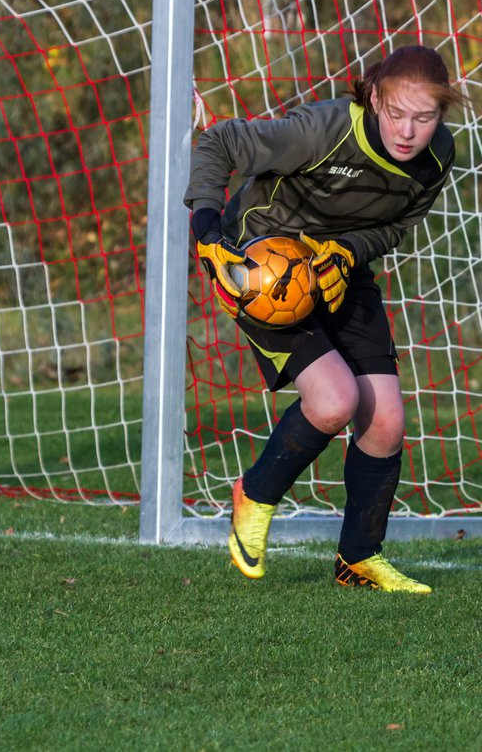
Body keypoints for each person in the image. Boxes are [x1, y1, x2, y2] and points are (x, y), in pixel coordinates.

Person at [184, 45, 464, 594]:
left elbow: (395, 228)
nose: (409, 131)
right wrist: (209, 231)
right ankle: (255, 494)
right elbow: (219, 140)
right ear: (375, 98)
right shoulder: (323, 129)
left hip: (338, 267)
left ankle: (358, 559)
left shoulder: (437, 158)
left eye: (425, 117)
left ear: (442, 114)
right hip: (264, 269)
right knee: (334, 400)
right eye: (397, 113)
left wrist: (347, 253)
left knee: (385, 422)